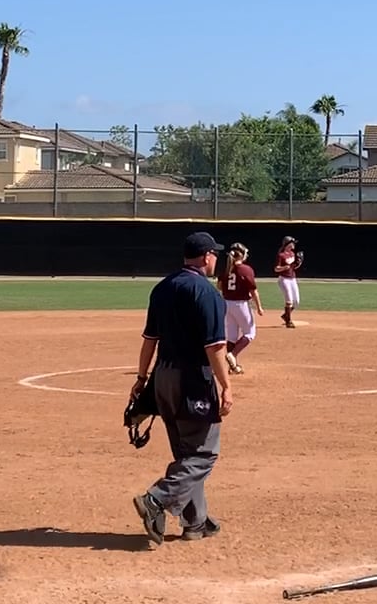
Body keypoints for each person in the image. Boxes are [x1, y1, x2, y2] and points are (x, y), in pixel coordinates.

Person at [131, 232, 234, 546]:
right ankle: (156, 499)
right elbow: (215, 347)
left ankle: (195, 523)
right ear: (206, 257)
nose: (216, 259)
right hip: (191, 379)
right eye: (214, 254)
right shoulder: (207, 293)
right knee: (203, 454)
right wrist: (226, 386)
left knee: (186, 454)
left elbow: (149, 340)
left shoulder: (162, 287)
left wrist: (142, 379)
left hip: (163, 377)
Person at [218, 243, 262, 374]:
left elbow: (219, 286)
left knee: (232, 336)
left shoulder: (226, 268)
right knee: (250, 333)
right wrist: (259, 307)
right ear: (242, 255)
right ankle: (232, 354)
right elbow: (253, 290)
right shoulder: (246, 269)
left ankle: (233, 367)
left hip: (227, 303)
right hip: (241, 304)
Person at [274, 237, 303, 328]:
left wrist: (298, 263)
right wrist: (283, 268)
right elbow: (276, 269)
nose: (294, 245)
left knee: (296, 302)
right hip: (284, 279)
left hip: (292, 279)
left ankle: (286, 315)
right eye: (292, 243)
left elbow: (293, 267)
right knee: (289, 300)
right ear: (287, 244)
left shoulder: (292, 254)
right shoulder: (281, 255)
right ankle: (288, 321)